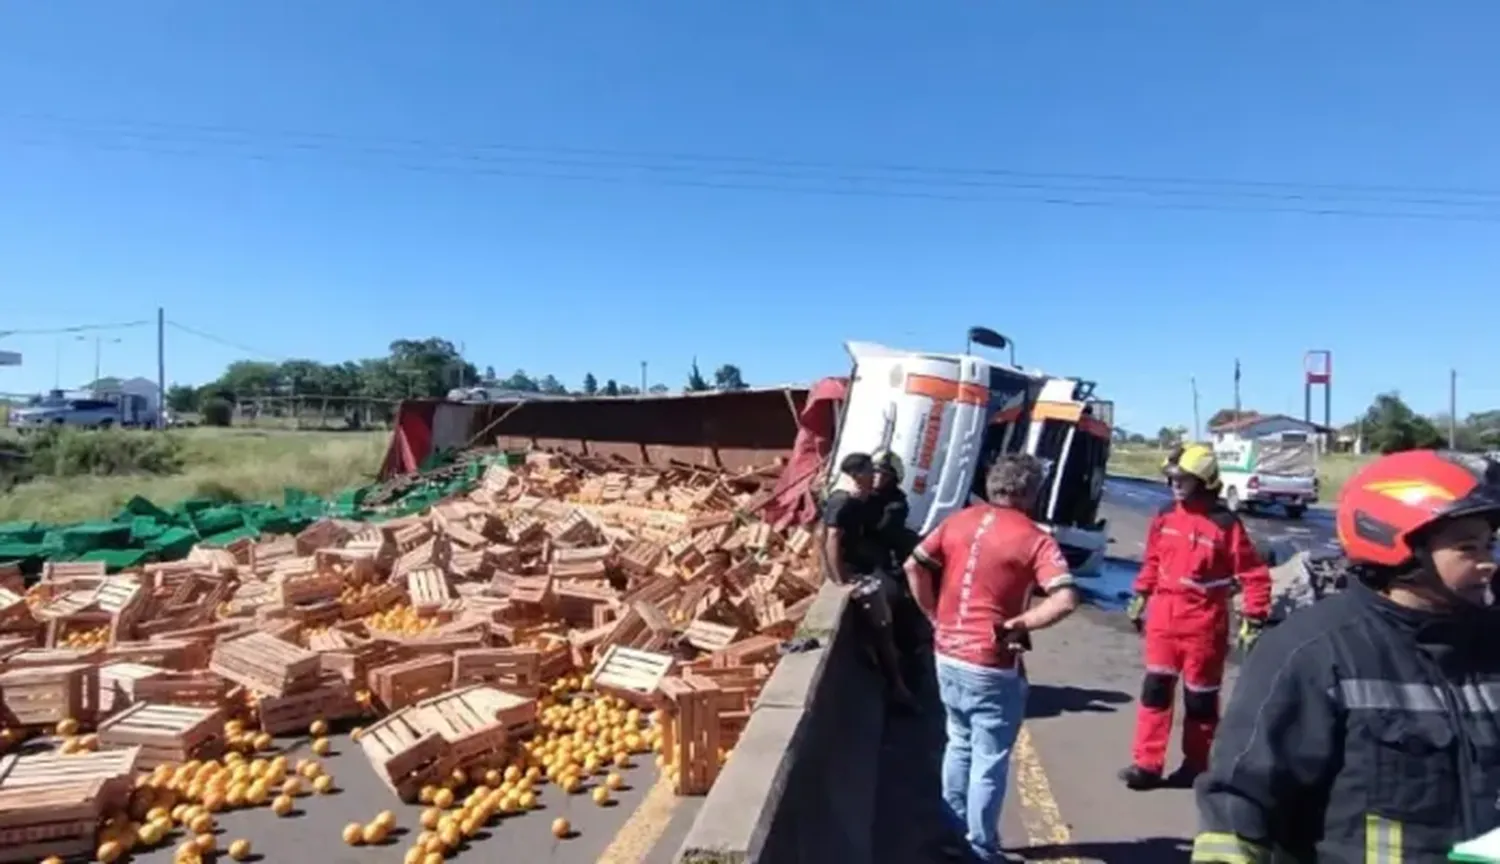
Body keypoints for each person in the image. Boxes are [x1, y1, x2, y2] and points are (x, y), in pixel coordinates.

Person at [1192, 450, 1500, 863]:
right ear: (1401, 547)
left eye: (1490, 545)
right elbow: (1240, 805)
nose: (1488, 564)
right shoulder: (1312, 653)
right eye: (1467, 547)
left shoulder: (1489, 644)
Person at [904, 453, 1082, 863]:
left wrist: (934, 617)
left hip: (947, 652)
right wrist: (1020, 623)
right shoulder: (1034, 538)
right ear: (1032, 494)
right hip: (990, 661)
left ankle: (951, 832)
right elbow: (1066, 597)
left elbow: (914, 566)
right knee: (989, 757)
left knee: (959, 742)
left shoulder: (959, 520)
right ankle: (980, 847)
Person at [1119, 443, 1270, 791]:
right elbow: (1153, 561)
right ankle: (1146, 765)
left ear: (1202, 481)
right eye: (1172, 478)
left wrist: (1254, 616)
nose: (1174, 485)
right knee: (1155, 690)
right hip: (1164, 620)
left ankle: (1196, 766)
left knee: (1200, 701)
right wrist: (1140, 595)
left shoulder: (1225, 525)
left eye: (1182, 479)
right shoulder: (1165, 516)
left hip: (1204, 625)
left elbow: (1253, 573)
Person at [822, 451, 918, 710]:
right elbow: (830, 538)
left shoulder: (891, 502)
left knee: (902, 606)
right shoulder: (845, 500)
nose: (876, 477)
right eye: (872, 472)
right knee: (882, 623)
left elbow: (886, 530)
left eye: (882, 474)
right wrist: (839, 578)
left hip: (878, 565)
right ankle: (897, 686)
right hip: (860, 571)